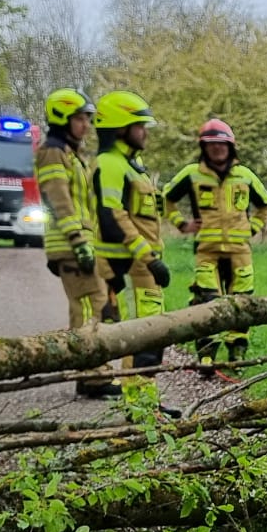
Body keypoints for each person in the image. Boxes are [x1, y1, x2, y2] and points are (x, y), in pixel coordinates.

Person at [163, 119, 267, 380]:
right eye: (211, 145)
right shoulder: (191, 174)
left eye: (222, 145)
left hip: (239, 251)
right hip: (207, 250)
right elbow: (166, 198)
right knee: (207, 302)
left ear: (230, 147)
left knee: (242, 301)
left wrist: (253, 228)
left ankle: (237, 354)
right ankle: (206, 356)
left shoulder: (245, 176)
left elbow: (265, 204)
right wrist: (181, 224)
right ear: (204, 147)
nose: (217, 150)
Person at [35, 88, 119, 398]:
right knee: (89, 307)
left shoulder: (71, 154)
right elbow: (60, 200)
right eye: (80, 119)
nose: (86, 125)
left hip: (82, 242)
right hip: (72, 244)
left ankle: (89, 376)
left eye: (87, 119)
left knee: (95, 305)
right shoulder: (53, 152)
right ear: (62, 119)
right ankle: (93, 378)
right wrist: (78, 240)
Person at [91, 90, 172, 385]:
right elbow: (113, 217)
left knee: (151, 339)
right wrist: (149, 259)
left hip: (141, 265)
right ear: (120, 128)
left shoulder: (130, 165)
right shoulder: (110, 163)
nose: (144, 133)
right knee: (140, 338)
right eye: (139, 127)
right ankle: (139, 410)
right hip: (128, 263)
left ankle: (145, 405)